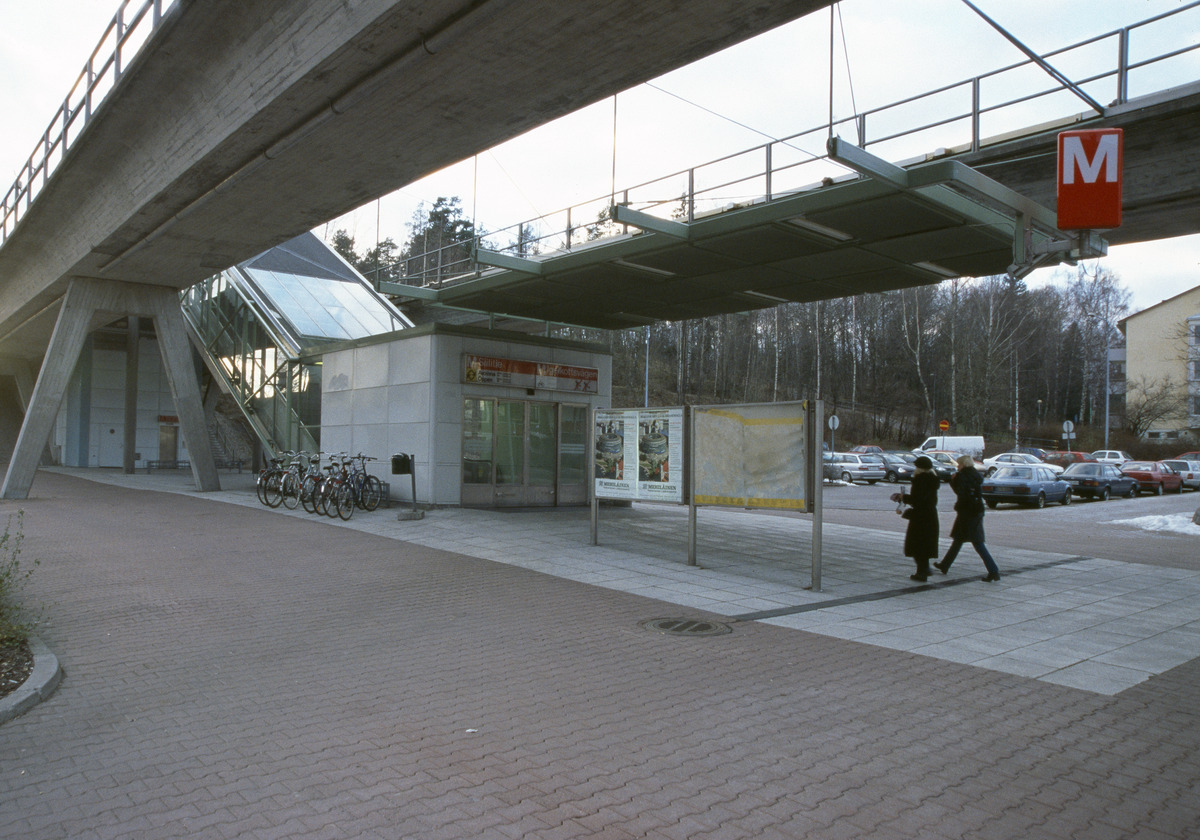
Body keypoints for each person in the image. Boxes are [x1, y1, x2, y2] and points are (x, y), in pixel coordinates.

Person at [935, 454, 1001, 582]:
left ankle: (994, 571)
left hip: (967, 512)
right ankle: (945, 565)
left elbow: (961, 493)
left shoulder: (962, 476)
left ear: (963, 464)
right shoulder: (975, 474)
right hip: (976, 510)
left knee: (977, 543)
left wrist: (953, 481)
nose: (958, 466)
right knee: (959, 540)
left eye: (959, 464)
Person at [891, 455, 939, 582]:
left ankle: (922, 572)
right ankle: (924, 569)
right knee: (924, 544)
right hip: (930, 515)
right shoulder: (933, 479)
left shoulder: (920, 480)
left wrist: (903, 498)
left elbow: (918, 499)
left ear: (919, 468)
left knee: (917, 545)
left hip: (920, 517)